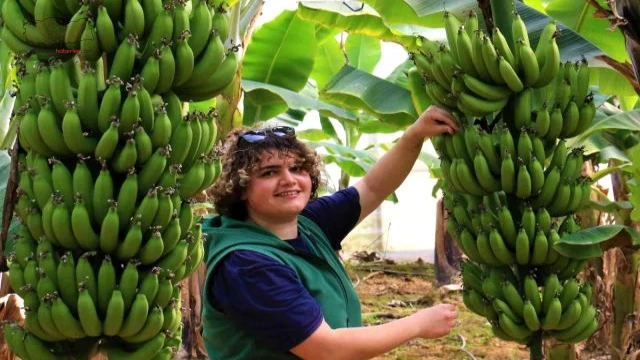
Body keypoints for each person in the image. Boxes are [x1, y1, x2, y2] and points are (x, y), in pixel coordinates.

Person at [201, 105, 460, 359]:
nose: (289, 180)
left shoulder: (308, 223)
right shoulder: (247, 265)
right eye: (269, 173)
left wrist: (414, 136)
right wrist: (416, 325)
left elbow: (372, 187)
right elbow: (326, 349)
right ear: (240, 187)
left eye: (297, 168)